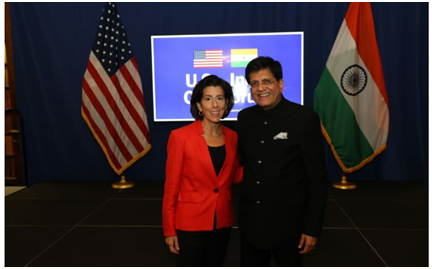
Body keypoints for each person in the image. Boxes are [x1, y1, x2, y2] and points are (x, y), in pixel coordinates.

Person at [236, 56, 328, 267]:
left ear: (280, 83)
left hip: (290, 227)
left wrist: (312, 228)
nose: (261, 88)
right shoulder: (244, 118)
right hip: (252, 225)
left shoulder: (304, 118)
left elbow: (317, 179)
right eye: (254, 83)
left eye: (267, 81)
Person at [162, 75, 243, 267]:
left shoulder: (232, 137)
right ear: (199, 105)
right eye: (208, 99)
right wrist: (169, 230)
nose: (214, 105)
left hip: (222, 221)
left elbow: (237, 175)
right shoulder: (180, 137)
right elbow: (171, 188)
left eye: (220, 98)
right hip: (189, 223)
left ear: (227, 103)